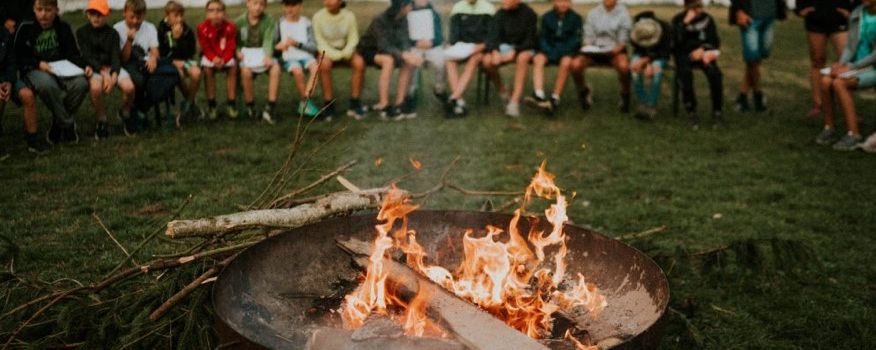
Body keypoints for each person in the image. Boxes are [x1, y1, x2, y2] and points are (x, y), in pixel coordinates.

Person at [14, 0, 89, 144]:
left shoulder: (63, 27)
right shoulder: (25, 27)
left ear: (56, 10)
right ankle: (67, 124)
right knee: (48, 85)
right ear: (34, 9)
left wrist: (85, 66)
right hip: (34, 69)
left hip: (61, 68)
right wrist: (38, 63)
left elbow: (73, 54)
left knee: (81, 83)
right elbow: (18, 56)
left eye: (48, 10)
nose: (43, 14)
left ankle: (58, 123)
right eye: (39, 9)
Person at [815, 0, 876, 151]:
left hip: (871, 67)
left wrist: (850, 67)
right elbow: (850, 46)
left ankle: (853, 134)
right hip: (855, 66)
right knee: (825, 81)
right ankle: (829, 128)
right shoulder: (858, 13)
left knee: (839, 83)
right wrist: (841, 64)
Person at [356, 0, 421, 120]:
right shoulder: (380, 19)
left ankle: (399, 103)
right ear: (401, 6)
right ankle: (383, 104)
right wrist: (402, 55)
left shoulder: (403, 18)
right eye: (409, 5)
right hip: (370, 50)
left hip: (391, 50)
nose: (411, 7)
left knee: (409, 62)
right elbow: (383, 45)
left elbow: (405, 40)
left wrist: (408, 54)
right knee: (388, 61)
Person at [795, 0, 859, 118]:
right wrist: (800, 9)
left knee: (845, 63)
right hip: (815, 19)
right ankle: (818, 105)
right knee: (817, 60)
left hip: (840, 19)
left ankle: (848, 105)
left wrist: (853, 9)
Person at [524, 0, 582, 116]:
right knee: (538, 58)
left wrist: (562, 51)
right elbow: (542, 38)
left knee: (566, 62)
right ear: (554, 2)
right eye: (560, 1)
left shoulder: (576, 18)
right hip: (549, 50)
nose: (563, 4)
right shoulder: (547, 17)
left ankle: (555, 99)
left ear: (570, 3)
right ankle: (539, 95)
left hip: (566, 52)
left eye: (566, 1)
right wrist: (549, 51)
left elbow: (575, 40)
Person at [672, 0, 724, 129]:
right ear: (686, 7)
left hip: (703, 53)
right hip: (684, 54)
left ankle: (717, 111)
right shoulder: (678, 19)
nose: (698, 10)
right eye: (694, 7)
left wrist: (703, 49)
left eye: (700, 7)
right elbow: (674, 43)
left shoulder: (708, 19)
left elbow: (714, 41)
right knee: (685, 74)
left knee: (715, 74)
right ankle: (691, 111)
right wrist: (685, 23)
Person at [0, 13, 47, 154]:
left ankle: (32, 140)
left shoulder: (4, 33)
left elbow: (12, 61)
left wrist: (8, 81)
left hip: (7, 78)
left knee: (27, 95)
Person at [77, 0, 124, 140]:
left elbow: (116, 56)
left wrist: (114, 74)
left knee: (128, 87)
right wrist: (103, 73)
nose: (96, 17)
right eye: (92, 14)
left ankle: (126, 113)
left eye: (100, 14)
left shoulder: (113, 34)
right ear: (87, 15)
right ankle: (101, 120)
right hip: (94, 68)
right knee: (96, 88)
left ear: (107, 15)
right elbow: (87, 56)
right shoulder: (82, 32)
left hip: (110, 67)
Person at [481, 0, 537, 118]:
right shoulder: (499, 14)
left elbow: (530, 40)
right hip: (504, 47)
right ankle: (504, 92)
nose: (503, 1)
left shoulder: (529, 13)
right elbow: (492, 36)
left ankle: (514, 102)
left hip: (524, 47)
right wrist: (495, 51)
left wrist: (515, 50)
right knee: (487, 61)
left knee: (523, 58)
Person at [729, 0, 787, 113]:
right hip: (749, 16)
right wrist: (739, 10)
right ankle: (758, 97)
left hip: (769, 15)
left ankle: (742, 96)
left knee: (758, 57)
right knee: (753, 58)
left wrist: (782, 8)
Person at [312, 0, 365, 119]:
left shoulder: (349, 16)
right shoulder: (318, 17)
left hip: (345, 50)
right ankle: (328, 103)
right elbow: (319, 41)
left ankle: (355, 103)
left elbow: (353, 37)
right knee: (324, 65)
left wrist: (346, 51)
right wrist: (334, 54)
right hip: (327, 51)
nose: (328, 1)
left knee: (359, 63)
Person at [577, 0, 632, 113]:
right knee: (575, 65)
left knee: (624, 67)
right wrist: (588, 47)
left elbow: (622, 41)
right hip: (595, 49)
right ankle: (584, 91)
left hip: (614, 51)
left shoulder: (624, 14)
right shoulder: (593, 13)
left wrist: (612, 51)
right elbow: (588, 36)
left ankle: (625, 93)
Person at [114, 0, 159, 134]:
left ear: (144, 15)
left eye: (138, 17)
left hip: (144, 63)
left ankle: (139, 110)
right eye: (131, 17)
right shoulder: (117, 29)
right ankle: (136, 113)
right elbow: (123, 59)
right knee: (139, 80)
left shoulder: (149, 27)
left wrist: (153, 58)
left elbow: (155, 50)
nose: (135, 21)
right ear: (124, 13)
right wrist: (129, 40)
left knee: (160, 79)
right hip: (128, 65)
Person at [443, 0, 495, 118]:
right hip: (462, 47)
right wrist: (457, 46)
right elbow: (454, 36)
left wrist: (481, 46)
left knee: (474, 60)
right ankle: (459, 101)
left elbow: (492, 36)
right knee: (449, 61)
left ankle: (454, 98)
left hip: (481, 48)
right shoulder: (458, 8)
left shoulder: (489, 8)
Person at [158, 1, 203, 122]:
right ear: (167, 15)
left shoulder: (187, 29)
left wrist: (180, 39)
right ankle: (191, 106)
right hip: (168, 62)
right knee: (180, 75)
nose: (179, 19)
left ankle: (188, 104)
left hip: (185, 60)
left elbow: (190, 51)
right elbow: (161, 53)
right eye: (176, 16)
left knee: (196, 73)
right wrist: (174, 41)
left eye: (181, 15)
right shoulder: (162, 29)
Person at [236, 0, 280, 123]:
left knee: (275, 69)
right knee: (245, 72)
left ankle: (270, 106)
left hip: (262, 53)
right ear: (248, 3)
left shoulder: (269, 20)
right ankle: (251, 106)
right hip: (247, 54)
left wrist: (267, 55)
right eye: (255, 3)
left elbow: (268, 39)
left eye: (261, 4)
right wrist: (237, 51)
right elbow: (235, 42)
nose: (258, 7)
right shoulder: (239, 22)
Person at [275, 0, 320, 118]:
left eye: (293, 5)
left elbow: (313, 47)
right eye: (286, 5)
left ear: (300, 6)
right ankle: (306, 103)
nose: (290, 9)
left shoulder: (306, 23)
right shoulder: (280, 23)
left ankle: (305, 102)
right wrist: (279, 47)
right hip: (289, 57)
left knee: (315, 68)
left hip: (305, 55)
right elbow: (274, 44)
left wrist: (297, 44)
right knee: (297, 71)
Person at [402, 0, 446, 119]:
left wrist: (431, 43)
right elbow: (404, 34)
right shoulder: (407, 13)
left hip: (431, 46)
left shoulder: (434, 14)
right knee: (412, 61)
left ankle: (439, 89)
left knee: (440, 61)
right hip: (415, 46)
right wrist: (415, 42)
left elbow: (440, 36)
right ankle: (411, 93)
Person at [198, 0, 238, 120]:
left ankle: (231, 103)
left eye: (219, 10)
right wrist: (214, 58)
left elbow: (231, 46)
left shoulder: (230, 27)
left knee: (233, 67)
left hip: (225, 56)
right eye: (211, 10)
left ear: (224, 13)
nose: (215, 13)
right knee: (207, 70)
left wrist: (224, 59)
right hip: (211, 56)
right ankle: (212, 104)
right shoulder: (202, 27)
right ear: (207, 14)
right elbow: (205, 47)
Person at [629, 11, 671, 121]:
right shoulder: (635, 30)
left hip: (660, 56)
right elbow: (638, 48)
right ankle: (643, 102)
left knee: (656, 68)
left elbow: (665, 52)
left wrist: (650, 62)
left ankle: (651, 105)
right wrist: (644, 62)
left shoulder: (666, 28)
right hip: (642, 55)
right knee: (634, 67)